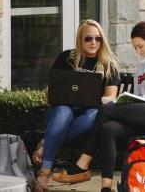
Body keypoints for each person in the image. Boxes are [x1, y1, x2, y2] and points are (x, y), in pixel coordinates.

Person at [52, 21, 145, 192]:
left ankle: (83, 163)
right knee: (108, 129)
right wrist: (130, 102)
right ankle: (106, 187)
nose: (138, 52)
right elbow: (138, 100)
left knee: (106, 109)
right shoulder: (141, 70)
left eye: (140, 46)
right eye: (135, 48)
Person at [34, 19, 120, 192]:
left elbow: (111, 97)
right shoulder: (67, 58)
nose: (94, 42)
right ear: (80, 40)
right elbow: (50, 91)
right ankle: (45, 170)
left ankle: (45, 142)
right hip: (61, 110)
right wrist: (51, 93)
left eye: (98, 38)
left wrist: (102, 99)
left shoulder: (108, 65)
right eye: (88, 38)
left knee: (94, 114)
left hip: (88, 115)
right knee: (64, 112)